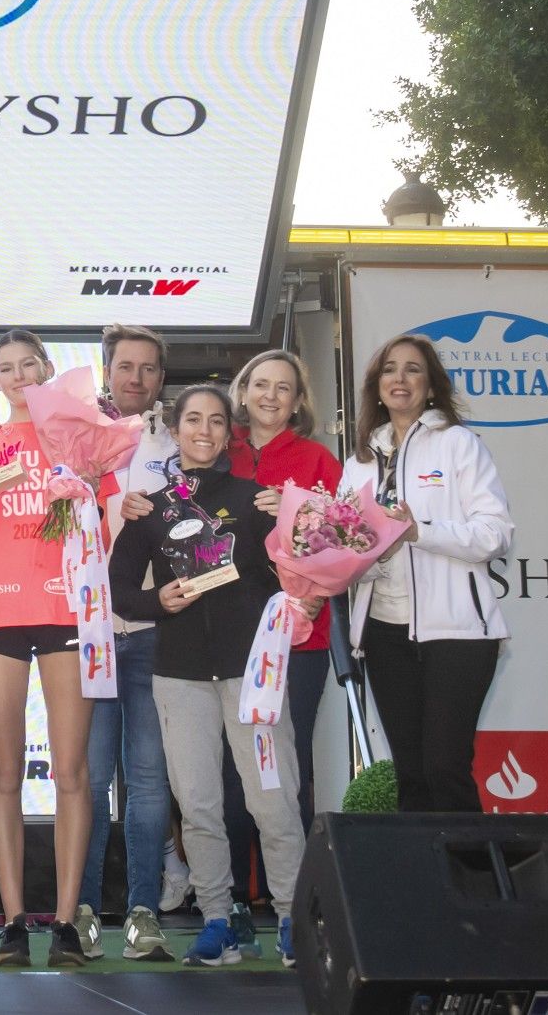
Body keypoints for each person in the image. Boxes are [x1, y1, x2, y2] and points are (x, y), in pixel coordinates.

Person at [109, 384, 305, 969]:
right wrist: (155, 602)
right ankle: (217, 920)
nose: (204, 430)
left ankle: (294, 918)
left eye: (216, 421)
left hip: (254, 676)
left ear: (229, 433)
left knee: (273, 800)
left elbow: (293, 576)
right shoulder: (149, 507)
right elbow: (118, 589)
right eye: (193, 419)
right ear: (175, 428)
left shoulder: (256, 500)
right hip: (180, 676)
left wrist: (294, 524)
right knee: (196, 804)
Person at [0, 330, 100, 968]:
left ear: (47, 369)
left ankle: (65, 923)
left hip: (68, 607)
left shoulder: (78, 435)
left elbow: (107, 532)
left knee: (70, 771)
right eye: (5, 369)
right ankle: (14, 922)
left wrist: (88, 489)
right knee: (5, 771)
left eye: (27, 365)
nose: (17, 377)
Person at [343, 335, 513, 812]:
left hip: (457, 632)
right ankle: (426, 886)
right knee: (412, 775)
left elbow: (496, 533)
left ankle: (474, 882)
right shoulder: (357, 461)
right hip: (383, 632)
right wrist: (347, 554)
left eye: (413, 369)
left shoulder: (459, 444)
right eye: (390, 369)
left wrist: (420, 531)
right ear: (377, 387)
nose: (400, 378)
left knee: (445, 767)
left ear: (431, 386)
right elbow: (345, 545)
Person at [218, 348, 343, 943]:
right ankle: (239, 903)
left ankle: (296, 900)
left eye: (283, 388)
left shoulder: (319, 459)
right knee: (232, 772)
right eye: (260, 384)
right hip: (226, 640)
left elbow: (345, 542)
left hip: (301, 639)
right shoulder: (218, 447)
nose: (270, 396)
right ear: (242, 391)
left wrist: (294, 519)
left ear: (299, 400)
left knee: (287, 770)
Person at [74, 325, 178, 962]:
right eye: (124, 367)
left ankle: (143, 911)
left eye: (147, 369)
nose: (134, 378)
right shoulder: (78, 439)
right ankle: (81, 909)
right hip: (88, 636)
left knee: (147, 782)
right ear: (106, 371)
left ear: (161, 379)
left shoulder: (178, 443)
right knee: (83, 782)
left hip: (154, 634)